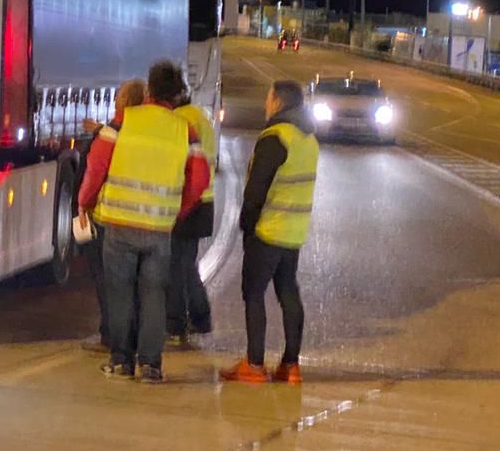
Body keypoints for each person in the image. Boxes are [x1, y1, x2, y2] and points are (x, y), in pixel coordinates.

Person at [78, 60, 208, 384]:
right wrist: (177, 210)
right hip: (159, 230)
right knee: (154, 296)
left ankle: (121, 361)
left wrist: (85, 202)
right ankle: (151, 365)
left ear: (149, 89)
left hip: (119, 226)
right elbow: (199, 178)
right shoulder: (184, 130)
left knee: (120, 293)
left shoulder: (124, 122)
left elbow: (96, 166)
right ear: (176, 94)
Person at [220, 78, 320, 385]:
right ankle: (291, 366)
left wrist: (247, 225)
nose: (266, 104)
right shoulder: (308, 139)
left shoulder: (275, 137)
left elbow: (255, 191)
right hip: (293, 233)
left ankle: (254, 364)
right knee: (288, 292)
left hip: (268, 231)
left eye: (268, 98)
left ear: (278, 102)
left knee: (253, 293)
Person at [78, 78, 146, 354]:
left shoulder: (110, 134)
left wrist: (83, 205)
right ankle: (133, 337)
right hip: (142, 218)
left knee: (106, 279)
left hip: (107, 216)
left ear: (123, 101)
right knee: (135, 283)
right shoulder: (144, 134)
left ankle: (111, 336)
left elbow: (95, 174)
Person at [166, 93, 216, 348]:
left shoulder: (180, 120)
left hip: (188, 199)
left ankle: (176, 324)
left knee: (176, 266)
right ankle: (200, 317)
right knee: (186, 265)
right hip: (205, 201)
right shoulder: (201, 116)